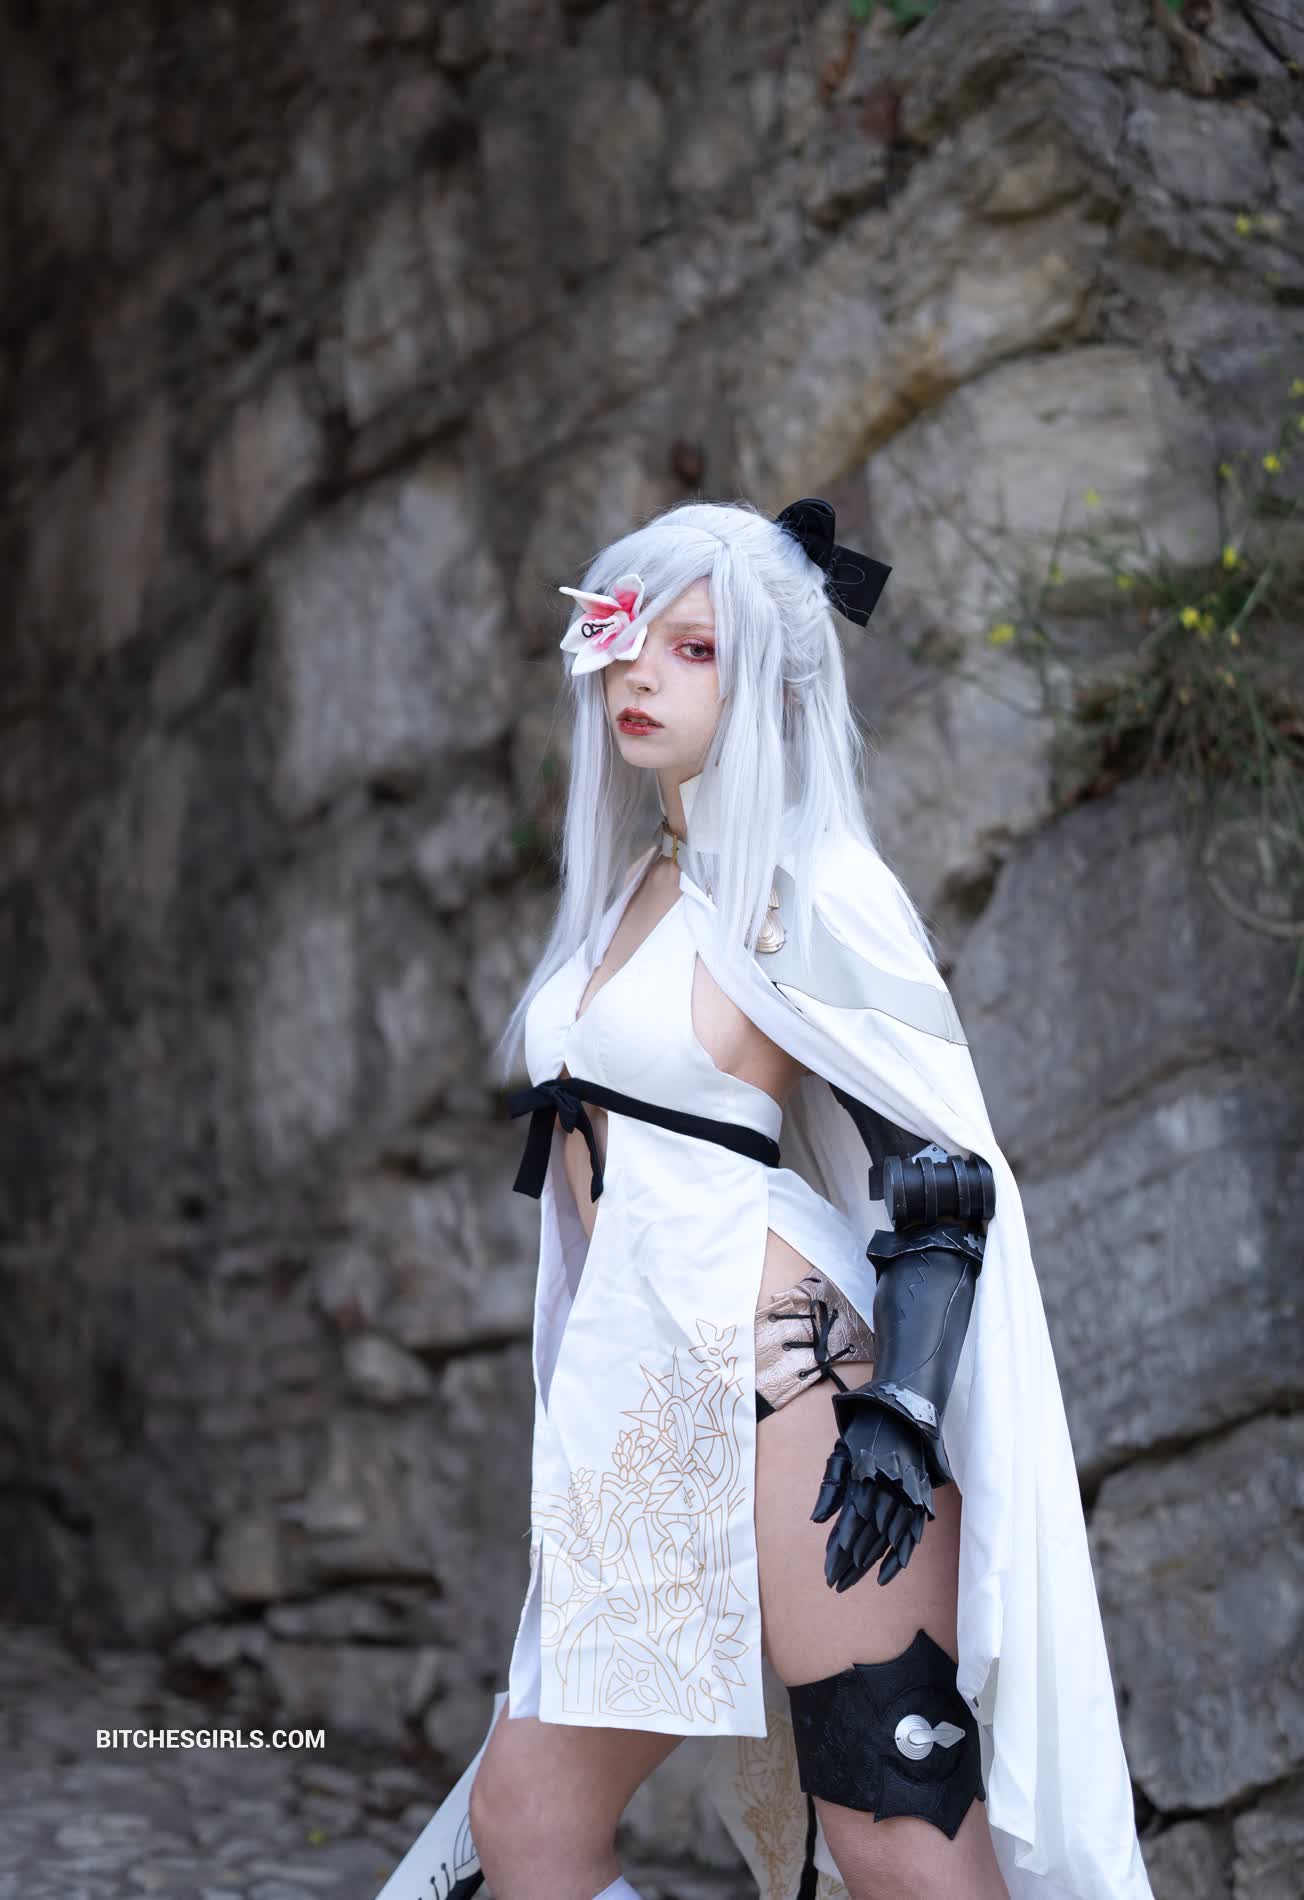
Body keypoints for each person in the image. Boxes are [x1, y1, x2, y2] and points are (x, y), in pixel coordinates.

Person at [373, 499, 1153, 1900]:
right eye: (629, 640)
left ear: (770, 684)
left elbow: (938, 1178)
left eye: (694, 649)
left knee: (896, 1832)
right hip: (645, 1413)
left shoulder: (814, 886)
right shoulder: (640, 885)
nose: (642, 674)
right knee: (528, 1824)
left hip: (802, 1405)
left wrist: (902, 1412)